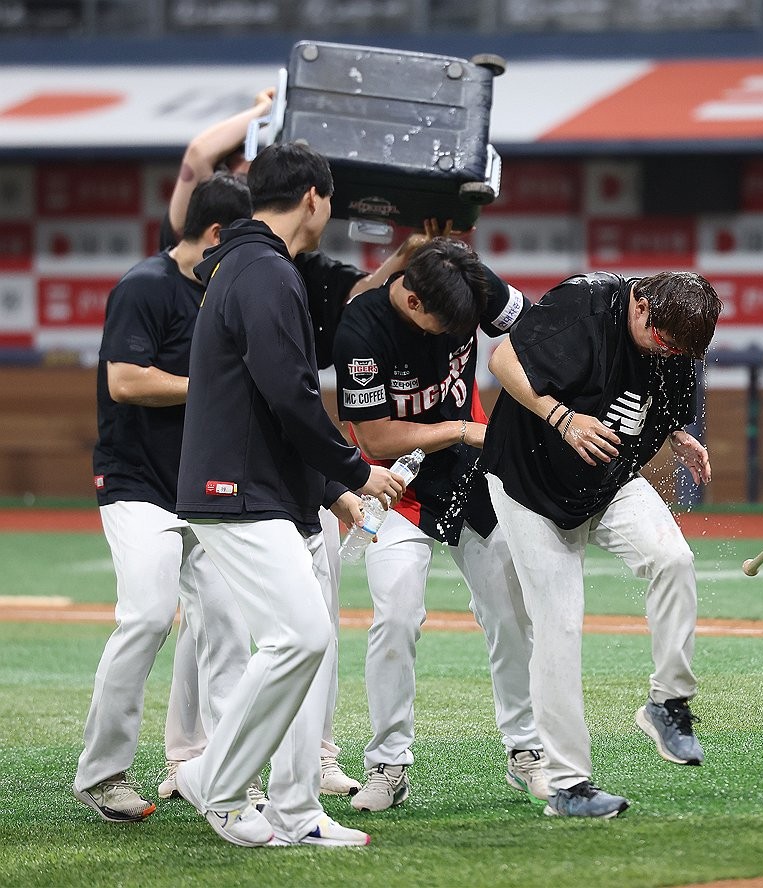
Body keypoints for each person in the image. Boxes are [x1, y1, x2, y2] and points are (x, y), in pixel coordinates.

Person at [155, 87, 420, 800]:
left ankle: (292, 801)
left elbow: (279, 399)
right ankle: (215, 777)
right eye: (330, 200)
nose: (330, 212)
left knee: (303, 643)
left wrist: (329, 487)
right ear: (312, 197)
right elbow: (290, 397)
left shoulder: (252, 265)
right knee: (296, 640)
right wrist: (353, 472)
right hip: (237, 491)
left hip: (260, 488)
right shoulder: (265, 272)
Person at [480, 270, 722, 818]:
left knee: (674, 559)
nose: (671, 354)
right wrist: (562, 418)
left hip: (608, 479)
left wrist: (680, 437)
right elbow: (501, 360)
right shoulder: (585, 306)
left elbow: (660, 397)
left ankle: (668, 704)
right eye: (664, 340)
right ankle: (568, 785)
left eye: (682, 350)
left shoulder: (676, 339)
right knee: (560, 626)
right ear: (640, 305)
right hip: (530, 485)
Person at [332, 235, 547, 812]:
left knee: (509, 610)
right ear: (414, 303)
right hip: (394, 486)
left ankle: (526, 751)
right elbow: (373, 438)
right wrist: (459, 429)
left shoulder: (468, 281)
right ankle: (388, 764)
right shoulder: (361, 329)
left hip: (472, 477)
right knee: (395, 617)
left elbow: (533, 328)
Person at [72, 174, 254, 823]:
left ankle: (225, 774)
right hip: (138, 485)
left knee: (230, 629)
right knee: (148, 617)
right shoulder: (145, 286)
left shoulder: (227, 291)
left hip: (204, 485)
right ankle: (103, 774)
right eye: (241, 238)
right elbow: (125, 381)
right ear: (213, 235)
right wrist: (218, 382)